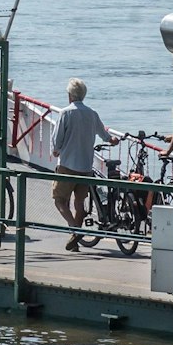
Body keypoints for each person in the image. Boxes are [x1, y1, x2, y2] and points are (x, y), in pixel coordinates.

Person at [51, 77, 118, 251]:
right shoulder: (92, 113)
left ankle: (75, 230)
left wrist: (56, 149)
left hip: (67, 165)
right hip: (86, 166)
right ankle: (75, 243)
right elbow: (104, 134)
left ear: (70, 95)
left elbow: (57, 139)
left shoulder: (65, 113)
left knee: (59, 200)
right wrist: (111, 140)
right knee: (79, 203)